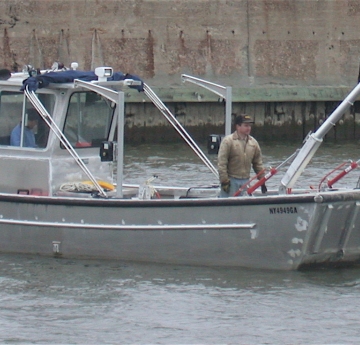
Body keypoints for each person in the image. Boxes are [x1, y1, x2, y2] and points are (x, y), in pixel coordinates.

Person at [217, 114, 267, 197]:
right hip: (231, 181)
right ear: (238, 126)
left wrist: (262, 181)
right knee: (229, 206)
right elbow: (222, 163)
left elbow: (258, 163)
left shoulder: (253, 143)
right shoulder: (228, 141)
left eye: (249, 126)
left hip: (246, 181)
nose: (249, 128)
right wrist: (224, 181)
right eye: (246, 125)